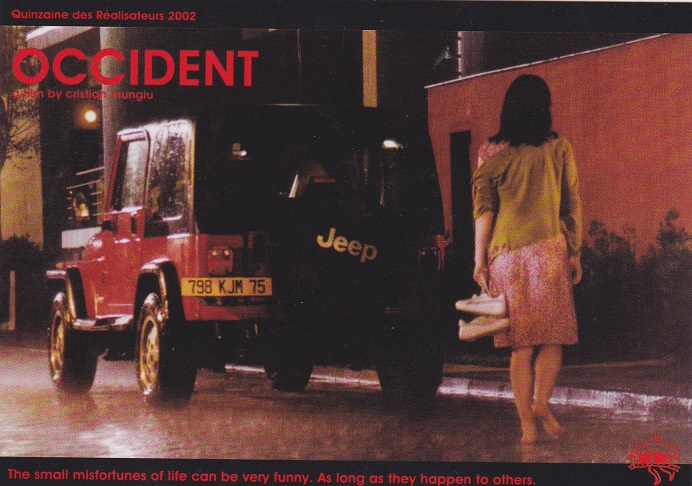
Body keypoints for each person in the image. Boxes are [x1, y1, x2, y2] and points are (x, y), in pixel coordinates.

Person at [471, 74, 582, 444]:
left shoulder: (490, 152)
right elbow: (571, 201)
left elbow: (484, 209)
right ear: (544, 108)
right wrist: (575, 250)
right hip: (549, 253)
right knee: (552, 338)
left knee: (520, 346)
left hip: (506, 257)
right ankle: (541, 402)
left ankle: (526, 428)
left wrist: (479, 259)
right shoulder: (558, 147)